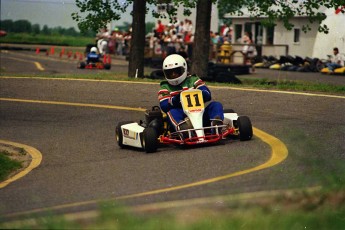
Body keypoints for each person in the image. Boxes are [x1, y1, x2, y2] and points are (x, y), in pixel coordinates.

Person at [158, 54, 224, 132]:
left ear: (183, 69)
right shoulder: (165, 87)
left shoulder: (193, 80)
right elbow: (164, 106)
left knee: (216, 105)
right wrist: (176, 99)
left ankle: (215, 126)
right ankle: (183, 129)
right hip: (182, 116)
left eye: (176, 71)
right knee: (172, 112)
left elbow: (207, 94)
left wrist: (202, 93)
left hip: (200, 114)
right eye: (170, 72)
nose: (173, 74)